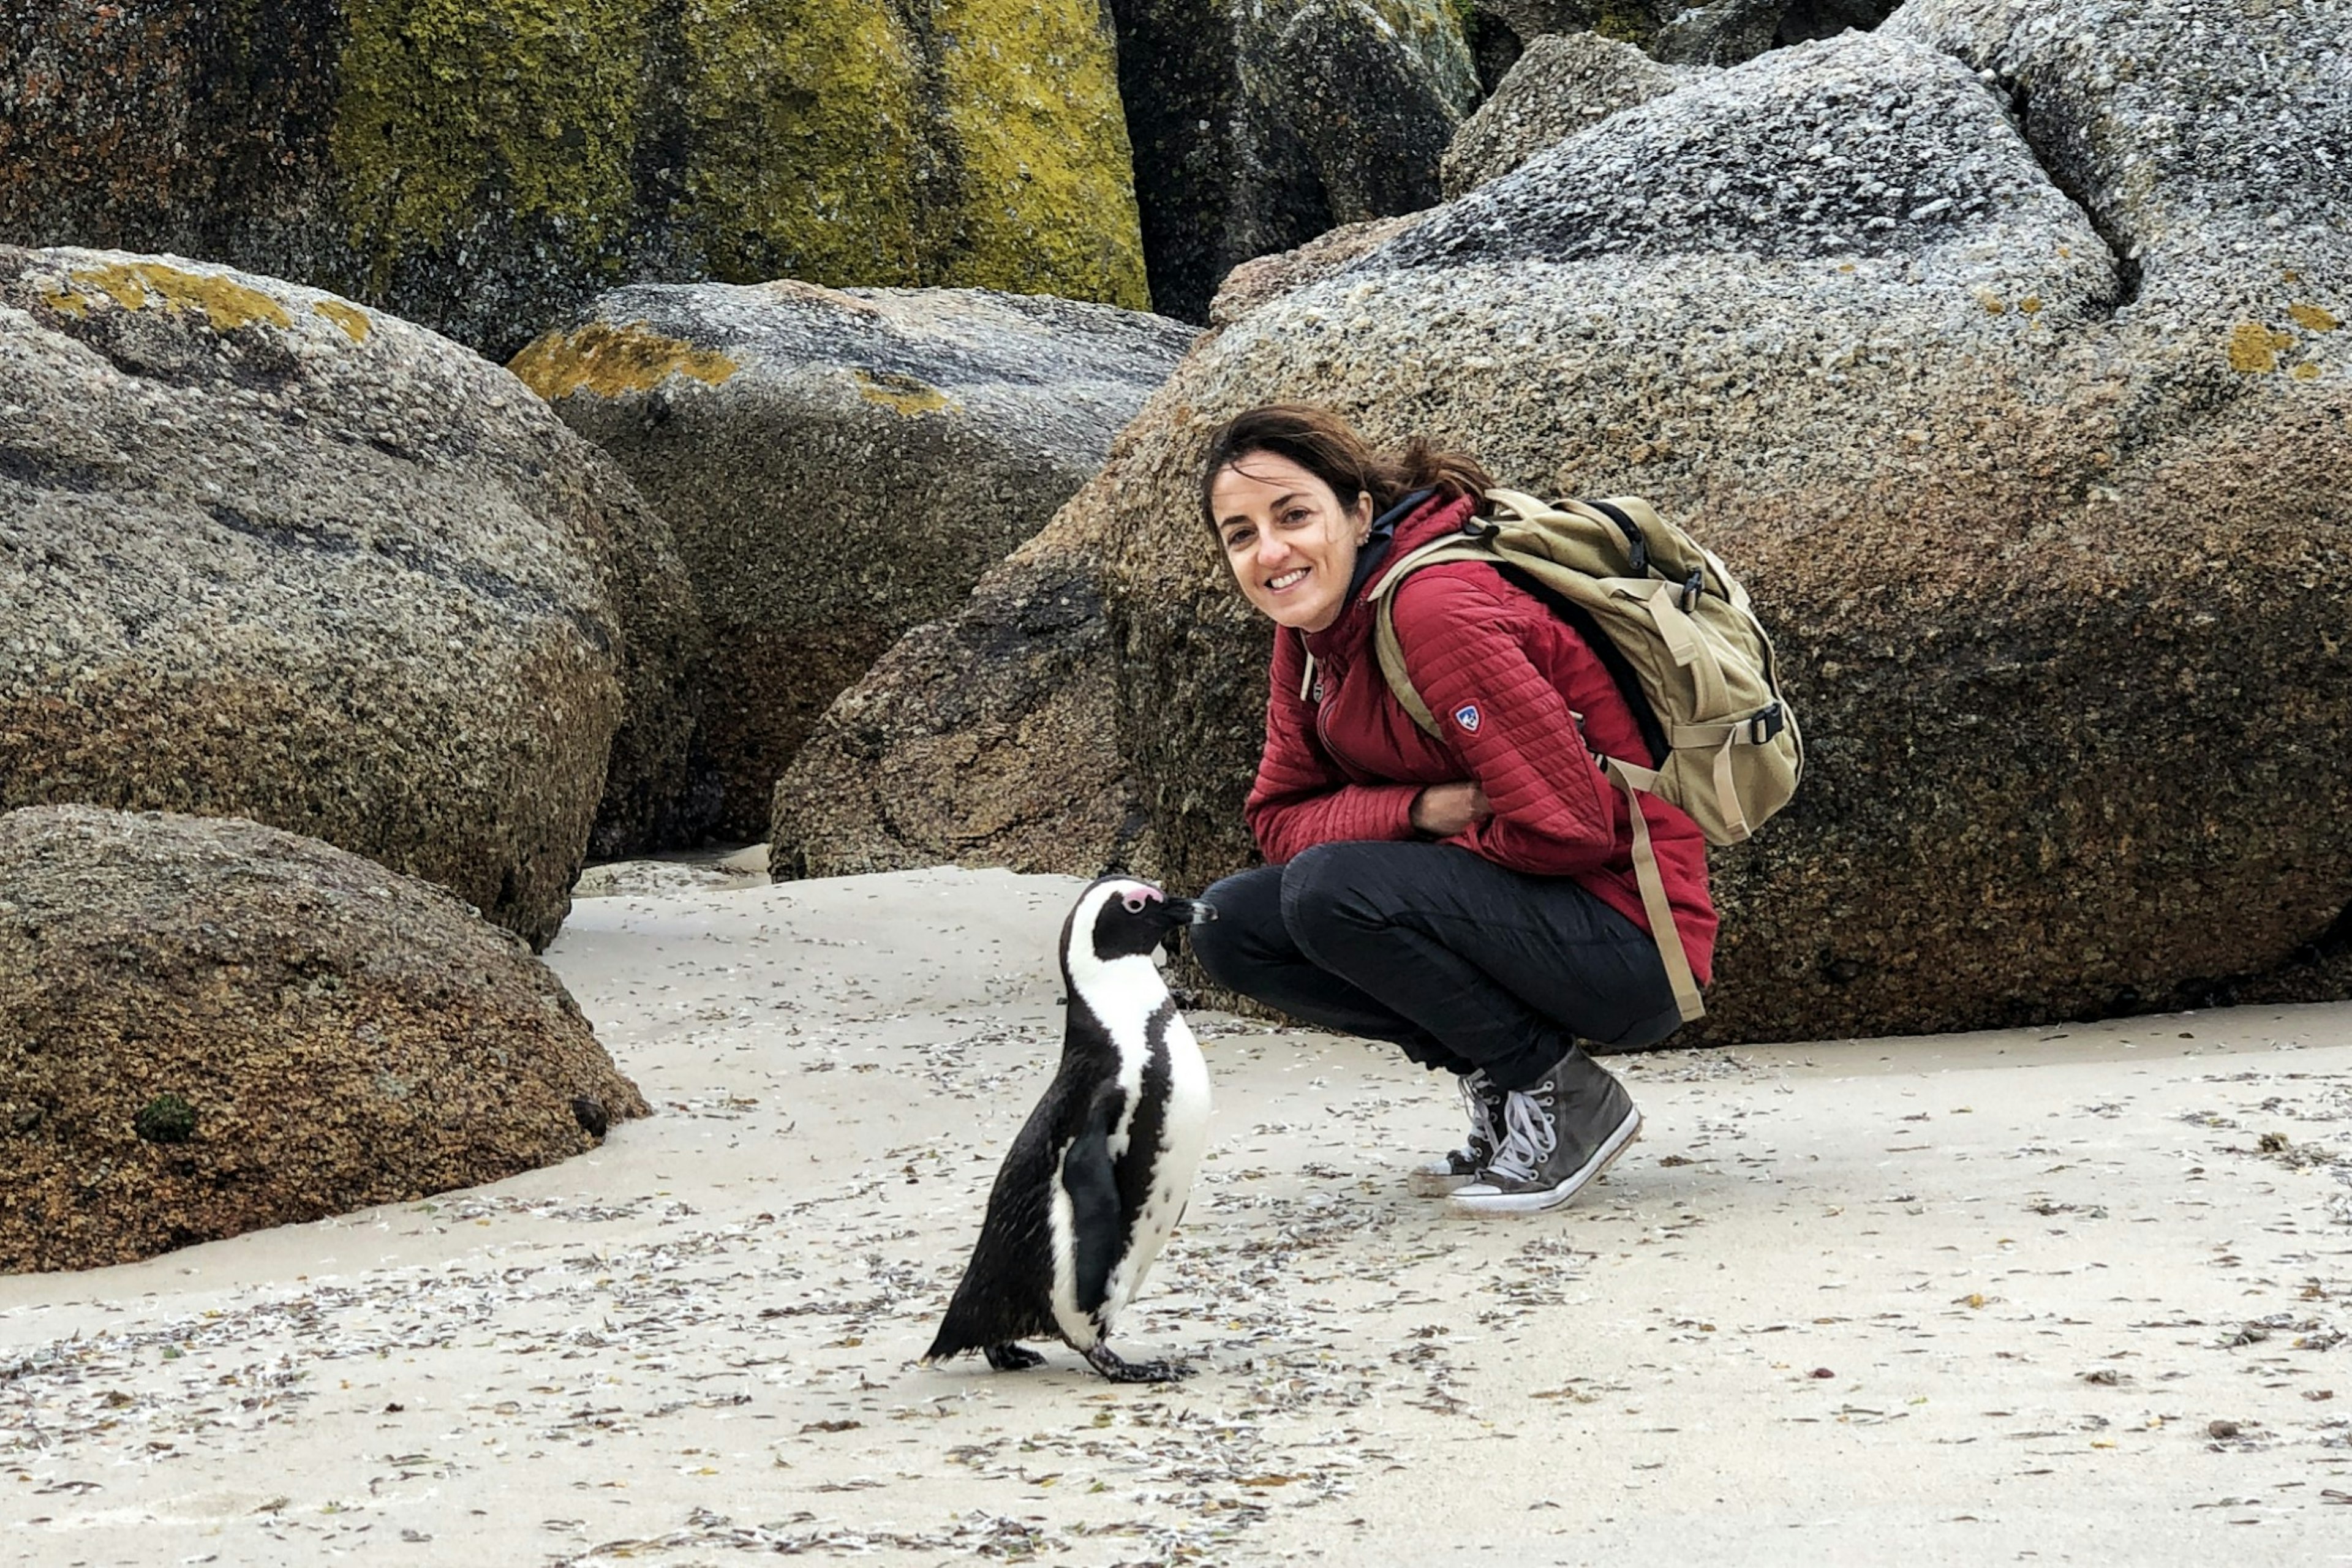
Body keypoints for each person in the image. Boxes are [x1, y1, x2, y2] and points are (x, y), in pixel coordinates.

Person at [1185, 404, 1716, 1214]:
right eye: (1242, 533)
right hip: (1523, 911)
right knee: (1231, 925)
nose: (1272, 551)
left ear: (1359, 513)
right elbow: (1278, 819)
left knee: (1333, 890)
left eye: (1293, 515)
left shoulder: (1434, 610)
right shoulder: (1309, 632)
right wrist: (1422, 813)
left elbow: (1569, 827)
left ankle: (1563, 1096)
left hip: (1632, 940)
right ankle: (1506, 1080)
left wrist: (1401, 869)